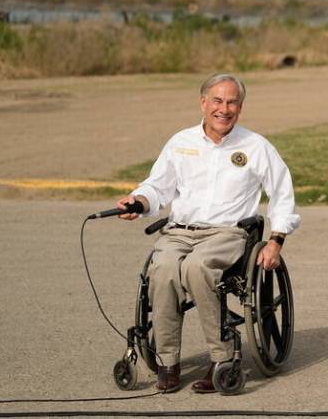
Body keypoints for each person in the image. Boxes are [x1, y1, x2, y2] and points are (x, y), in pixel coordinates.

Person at [116, 73, 300, 393]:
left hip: (227, 233)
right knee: (163, 270)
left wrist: (276, 239)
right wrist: (139, 201)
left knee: (197, 267)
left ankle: (222, 357)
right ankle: (168, 360)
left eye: (232, 102)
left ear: (240, 108)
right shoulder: (180, 143)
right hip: (180, 231)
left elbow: (282, 193)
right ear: (203, 103)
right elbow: (156, 187)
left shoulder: (256, 146)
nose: (224, 109)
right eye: (217, 101)